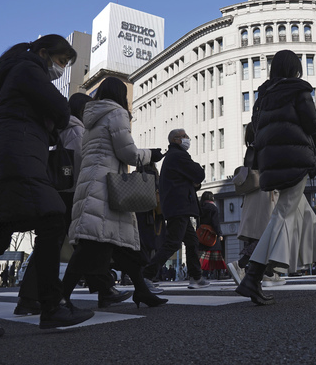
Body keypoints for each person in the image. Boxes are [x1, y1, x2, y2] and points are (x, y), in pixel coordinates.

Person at [0, 34, 93, 342]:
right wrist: (54, 119)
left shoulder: (17, 74)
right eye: (62, 61)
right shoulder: (28, 69)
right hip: (20, 160)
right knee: (53, 219)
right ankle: (52, 307)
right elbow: (62, 111)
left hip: (9, 159)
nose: (62, 69)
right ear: (43, 53)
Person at [235, 49, 316, 305]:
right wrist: (312, 144)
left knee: (307, 218)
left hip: (271, 164)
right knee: (283, 214)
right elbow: (313, 126)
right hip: (295, 161)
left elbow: (254, 131)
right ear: (295, 68)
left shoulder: (262, 96)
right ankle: (251, 278)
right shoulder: (299, 89)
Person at [64, 77, 166, 309]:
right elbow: (128, 153)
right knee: (91, 246)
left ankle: (141, 290)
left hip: (92, 183)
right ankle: (61, 297)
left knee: (124, 246)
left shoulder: (90, 118)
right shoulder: (117, 113)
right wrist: (151, 154)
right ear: (121, 94)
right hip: (107, 187)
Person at [14, 92, 120, 315]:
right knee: (72, 243)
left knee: (62, 243)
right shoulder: (76, 129)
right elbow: (80, 162)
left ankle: (100, 287)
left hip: (58, 191)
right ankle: (98, 287)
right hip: (70, 193)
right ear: (83, 110)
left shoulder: (62, 128)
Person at [142, 129, 210, 290]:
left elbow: (193, 180)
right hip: (179, 206)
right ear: (176, 139)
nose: (188, 139)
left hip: (178, 206)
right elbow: (198, 174)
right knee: (172, 243)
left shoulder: (172, 156)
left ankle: (196, 276)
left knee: (192, 242)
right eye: (185, 136)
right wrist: (197, 172)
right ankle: (146, 276)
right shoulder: (178, 156)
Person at [227, 124, 285, 287]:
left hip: (255, 195)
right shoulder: (261, 148)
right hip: (264, 193)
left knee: (262, 233)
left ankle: (266, 272)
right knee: (266, 233)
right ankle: (242, 264)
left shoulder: (252, 148)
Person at [197, 191, 226, 279]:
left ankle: (202, 274)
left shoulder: (200, 207)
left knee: (202, 256)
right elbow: (215, 222)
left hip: (202, 234)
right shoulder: (213, 208)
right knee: (216, 255)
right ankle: (219, 274)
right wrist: (219, 234)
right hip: (212, 234)